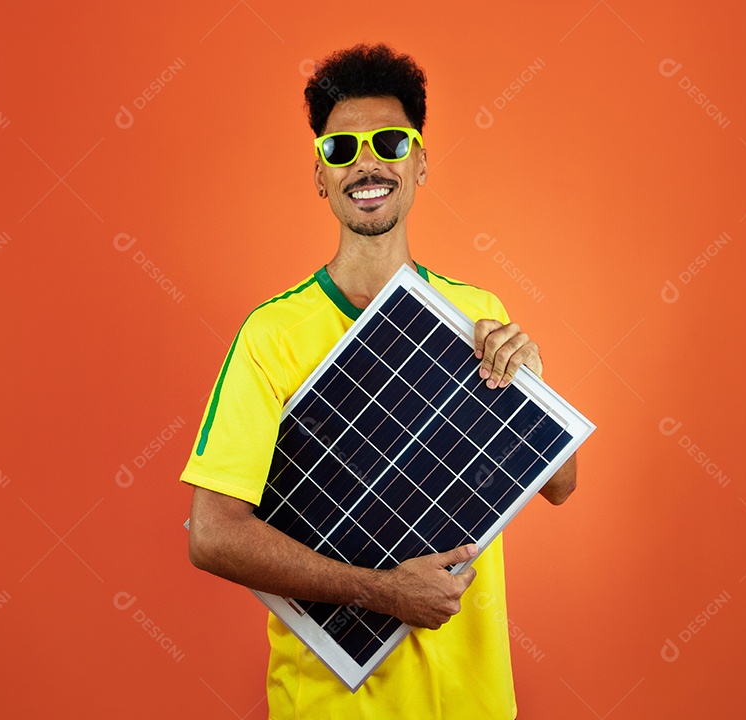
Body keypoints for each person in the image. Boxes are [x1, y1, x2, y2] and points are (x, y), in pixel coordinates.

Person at [180, 43, 577, 719]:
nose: (367, 161)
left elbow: (562, 486)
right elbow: (211, 534)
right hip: (329, 706)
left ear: (420, 162)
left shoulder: (479, 314)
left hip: (472, 704)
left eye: (390, 141)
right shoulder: (271, 335)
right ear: (320, 176)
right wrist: (380, 591)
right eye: (342, 150)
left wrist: (533, 381)